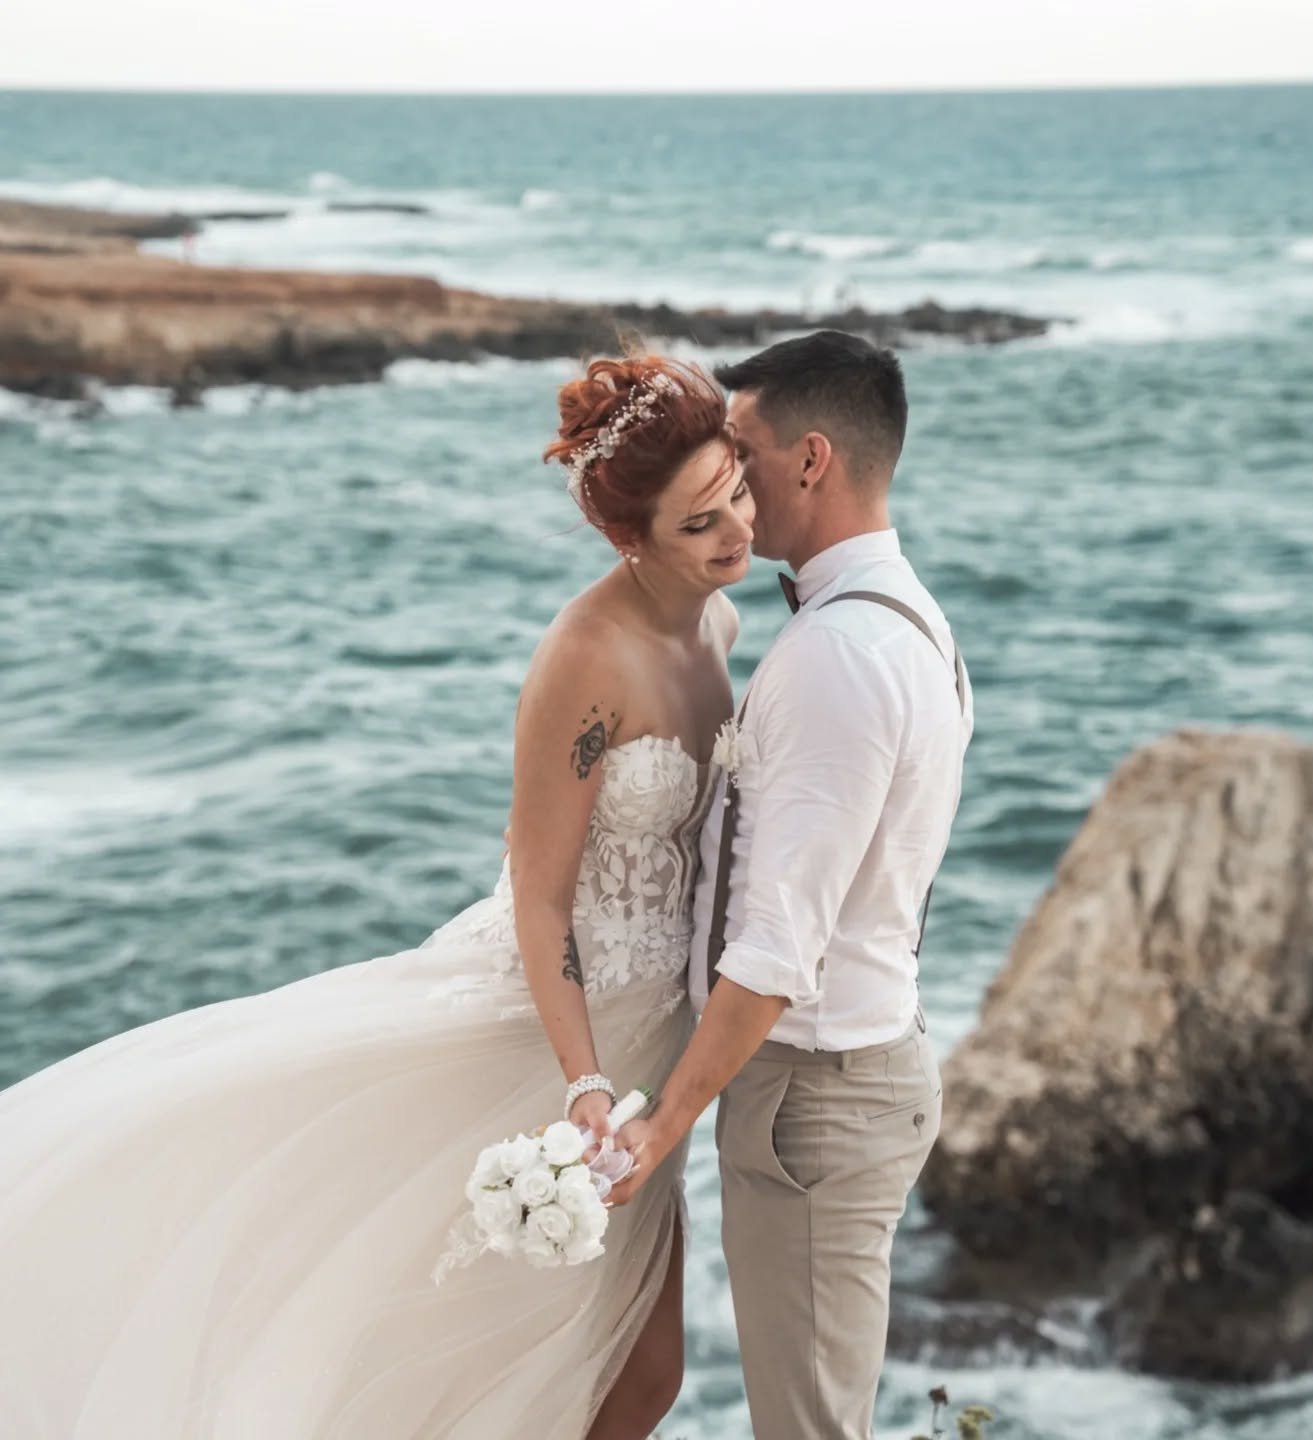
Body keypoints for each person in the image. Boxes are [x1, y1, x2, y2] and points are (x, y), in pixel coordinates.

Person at [0, 355, 755, 1440]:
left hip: (655, 1048)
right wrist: (583, 1081)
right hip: (554, 1047)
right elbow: (539, 897)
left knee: (641, 1380)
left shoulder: (719, 627)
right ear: (629, 539)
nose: (734, 531)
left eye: (735, 492)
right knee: (485, 1367)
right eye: (699, 523)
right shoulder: (586, 655)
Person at [609, 330, 975, 1440]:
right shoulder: (900, 618)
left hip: (817, 1097)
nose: (730, 473)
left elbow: (778, 946)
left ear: (812, 459)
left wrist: (659, 1129)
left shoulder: (838, 657)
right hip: (850, 1074)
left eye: (746, 447)